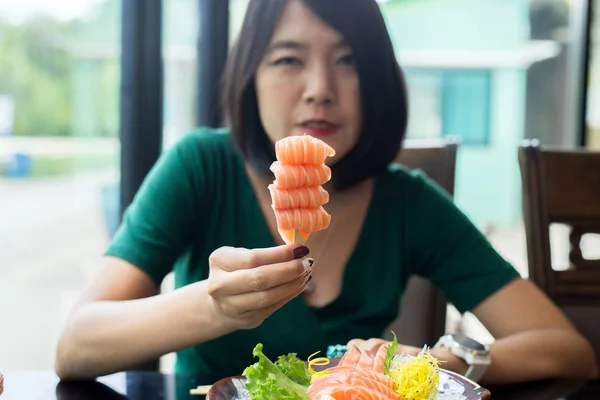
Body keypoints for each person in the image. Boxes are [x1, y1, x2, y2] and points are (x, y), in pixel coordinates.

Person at [54, 0, 598, 386]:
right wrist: (214, 307)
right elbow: (75, 345)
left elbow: (567, 350)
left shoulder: (408, 203)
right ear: (251, 77)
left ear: (379, 81)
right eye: (289, 59)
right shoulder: (200, 167)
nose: (320, 89)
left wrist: (448, 361)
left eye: (348, 60)